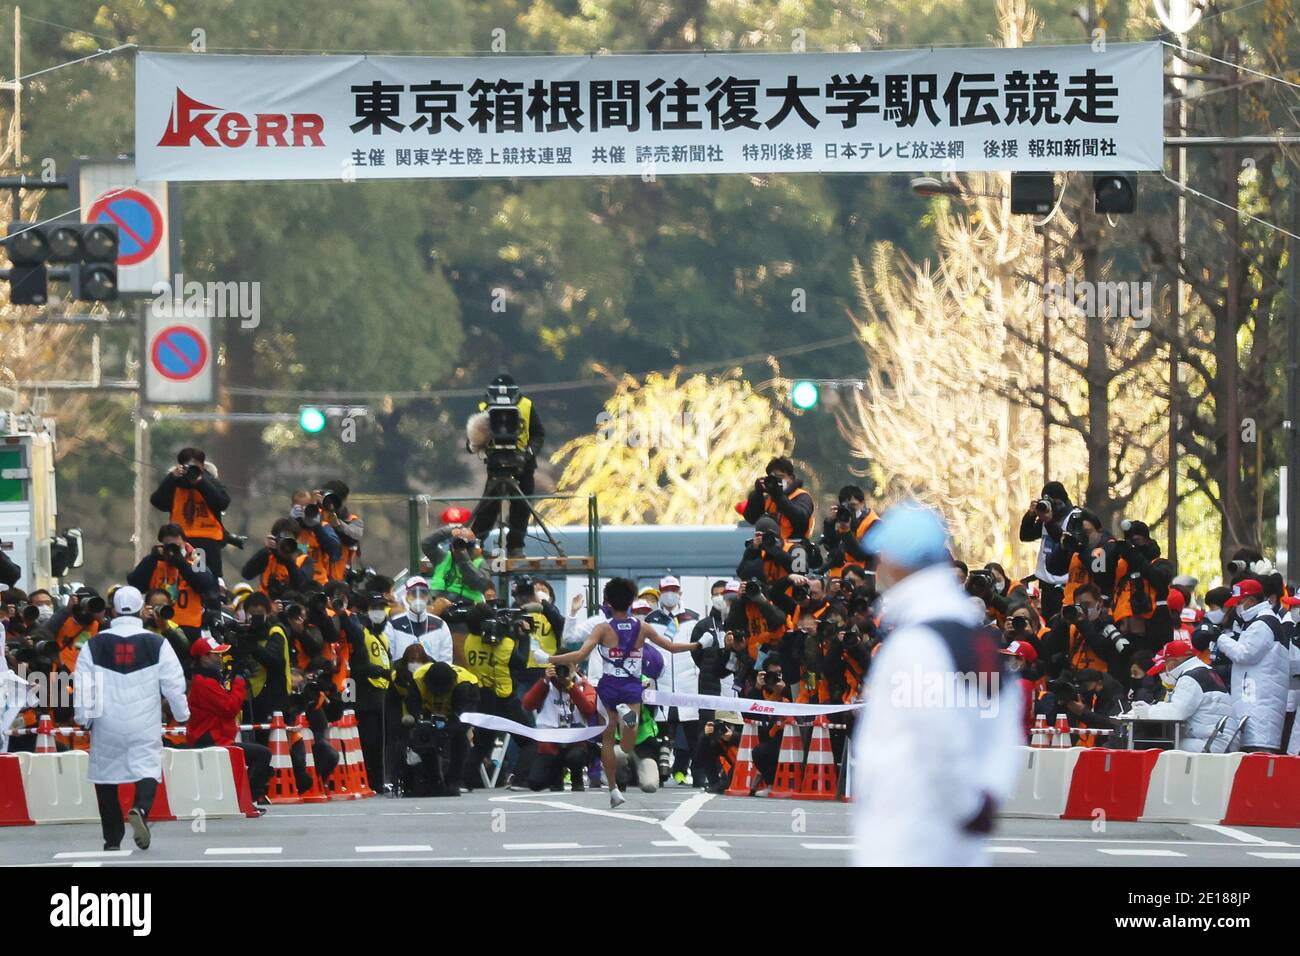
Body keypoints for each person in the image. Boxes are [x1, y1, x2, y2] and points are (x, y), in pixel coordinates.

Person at [852, 503, 1021, 866]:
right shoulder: (970, 636)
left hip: (911, 835)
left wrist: (964, 803)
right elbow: (1004, 723)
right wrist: (983, 799)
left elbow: (939, 734)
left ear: (899, 561)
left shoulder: (918, 642)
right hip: (952, 837)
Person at [548, 577, 700, 808]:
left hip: (608, 687)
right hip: (630, 688)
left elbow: (578, 655)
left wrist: (549, 658)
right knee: (627, 745)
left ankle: (613, 788)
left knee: (608, 739)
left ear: (607, 602)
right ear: (631, 601)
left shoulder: (602, 628)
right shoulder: (642, 627)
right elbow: (671, 647)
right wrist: (697, 645)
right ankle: (627, 719)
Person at [73, 586, 190, 852]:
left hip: (106, 721)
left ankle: (112, 839)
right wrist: (182, 714)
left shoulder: (94, 644)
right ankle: (140, 808)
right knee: (147, 767)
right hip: (144, 720)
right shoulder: (157, 642)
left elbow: (83, 686)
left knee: (105, 778)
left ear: (113, 610)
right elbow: (174, 683)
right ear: (141, 608)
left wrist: (84, 718)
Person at [186, 633, 271, 809]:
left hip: (217, 737)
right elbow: (229, 708)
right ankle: (245, 799)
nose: (220, 657)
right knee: (263, 755)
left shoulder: (208, 679)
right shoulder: (204, 682)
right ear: (204, 657)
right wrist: (239, 682)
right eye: (215, 654)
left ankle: (247, 796)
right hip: (210, 739)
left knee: (261, 757)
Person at [468, 373, 545, 558]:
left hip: (523, 464)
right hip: (496, 463)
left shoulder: (527, 405)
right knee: (489, 506)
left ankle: (515, 546)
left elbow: (538, 433)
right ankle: (474, 543)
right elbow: (473, 436)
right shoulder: (483, 408)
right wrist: (476, 442)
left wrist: (529, 452)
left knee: (522, 506)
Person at [1215, 577, 1290, 752]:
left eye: (1239, 602)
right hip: (1255, 702)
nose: (1236, 607)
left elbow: (1244, 654)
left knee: (1259, 757)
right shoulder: (1258, 622)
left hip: (1260, 705)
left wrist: (1220, 639)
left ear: (1250, 601)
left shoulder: (1263, 624)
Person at [1129, 638, 1234, 752]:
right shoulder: (1203, 671)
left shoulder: (1190, 678)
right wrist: (1152, 708)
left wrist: (1147, 712)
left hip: (1211, 742)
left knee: (1162, 749)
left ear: (1173, 663)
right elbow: (1178, 705)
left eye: (1166, 664)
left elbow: (1176, 713)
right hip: (1220, 738)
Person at [645, 575, 701, 785]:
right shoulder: (650, 619)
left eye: (674, 589)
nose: (671, 593)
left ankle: (698, 773)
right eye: (667, 589)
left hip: (688, 682)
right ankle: (659, 773)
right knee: (660, 732)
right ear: (660, 592)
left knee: (693, 733)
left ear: (680, 592)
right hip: (661, 681)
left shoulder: (693, 617)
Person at [149, 447, 232, 580]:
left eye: (196, 467)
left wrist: (201, 482)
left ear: (203, 466)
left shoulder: (209, 481)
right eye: (188, 467)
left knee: (209, 580)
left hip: (208, 540)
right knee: (182, 578)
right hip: (181, 540)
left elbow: (222, 503)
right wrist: (171, 478)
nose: (192, 471)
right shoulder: (175, 483)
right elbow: (157, 501)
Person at [127, 523, 219, 641]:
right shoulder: (156, 562)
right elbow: (135, 584)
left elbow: (205, 584)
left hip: (188, 627)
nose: (172, 550)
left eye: (176, 546)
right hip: (158, 625)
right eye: (168, 546)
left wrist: (181, 563)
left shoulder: (196, 559)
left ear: (184, 543)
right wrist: (152, 558)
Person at [521, 662, 597, 791]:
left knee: (576, 756)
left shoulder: (583, 685)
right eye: (559, 668)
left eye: (567, 667)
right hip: (550, 744)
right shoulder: (546, 685)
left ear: (576, 668)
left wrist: (571, 686)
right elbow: (527, 704)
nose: (563, 672)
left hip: (575, 743)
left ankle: (577, 778)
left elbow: (589, 710)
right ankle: (555, 776)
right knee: (535, 783)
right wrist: (545, 680)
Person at [1017, 481, 1081, 619]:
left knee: (1064, 622)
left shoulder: (1075, 517)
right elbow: (1025, 536)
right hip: (1046, 583)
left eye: (1055, 503)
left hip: (1066, 583)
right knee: (1048, 623)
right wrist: (1031, 515)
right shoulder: (1047, 517)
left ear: (1062, 501)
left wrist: (1049, 521)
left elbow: (1067, 542)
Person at [422, 507, 492, 604]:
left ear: (472, 548)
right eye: (458, 546)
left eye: (465, 547)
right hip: (438, 600)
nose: (460, 548)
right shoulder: (444, 557)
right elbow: (426, 544)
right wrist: (450, 531)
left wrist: (464, 561)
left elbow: (481, 585)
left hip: (467, 604)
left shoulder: (479, 562)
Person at [742, 456, 815, 545]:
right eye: (773, 478)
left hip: (795, 548)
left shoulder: (801, 496)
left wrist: (779, 496)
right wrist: (757, 494)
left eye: (781, 477)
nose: (777, 481)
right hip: (770, 548)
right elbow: (751, 518)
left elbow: (800, 518)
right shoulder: (769, 498)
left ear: (791, 478)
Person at [388, 576, 453, 664]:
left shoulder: (440, 625)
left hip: (431, 676)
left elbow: (446, 660)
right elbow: (389, 657)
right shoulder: (393, 624)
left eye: (423, 593)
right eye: (414, 593)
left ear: (427, 597)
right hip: (401, 676)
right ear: (406, 596)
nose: (418, 597)